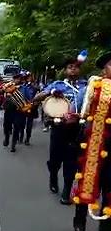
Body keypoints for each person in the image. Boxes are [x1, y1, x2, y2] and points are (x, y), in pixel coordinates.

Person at [69, 51, 111, 231]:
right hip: (94, 143)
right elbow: (82, 111)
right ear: (105, 68)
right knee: (87, 182)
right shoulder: (95, 86)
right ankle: (80, 215)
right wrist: (75, 117)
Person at [32, 55, 87, 203]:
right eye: (70, 67)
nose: (73, 69)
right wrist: (51, 92)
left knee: (72, 161)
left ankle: (66, 191)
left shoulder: (87, 87)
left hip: (77, 129)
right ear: (65, 70)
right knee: (55, 159)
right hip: (59, 128)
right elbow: (37, 98)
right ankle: (53, 176)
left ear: (79, 70)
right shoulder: (57, 85)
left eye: (76, 67)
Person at [0, 73, 26, 153]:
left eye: (18, 79)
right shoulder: (8, 86)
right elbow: (0, 92)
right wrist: (3, 90)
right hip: (9, 109)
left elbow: (28, 97)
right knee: (6, 126)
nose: (17, 80)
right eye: (15, 79)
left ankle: (13, 145)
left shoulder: (23, 88)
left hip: (18, 111)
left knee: (16, 127)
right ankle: (7, 138)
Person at [18, 72, 39, 145]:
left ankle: (27, 138)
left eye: (29, 77)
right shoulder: (22, 86)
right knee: (21, 123)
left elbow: (37, 96)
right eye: (27, 77)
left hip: (31, 108)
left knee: (29, 125)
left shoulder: (35, 87)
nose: (28, 78)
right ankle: (21, 136)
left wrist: (35, 103)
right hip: (23, 107)